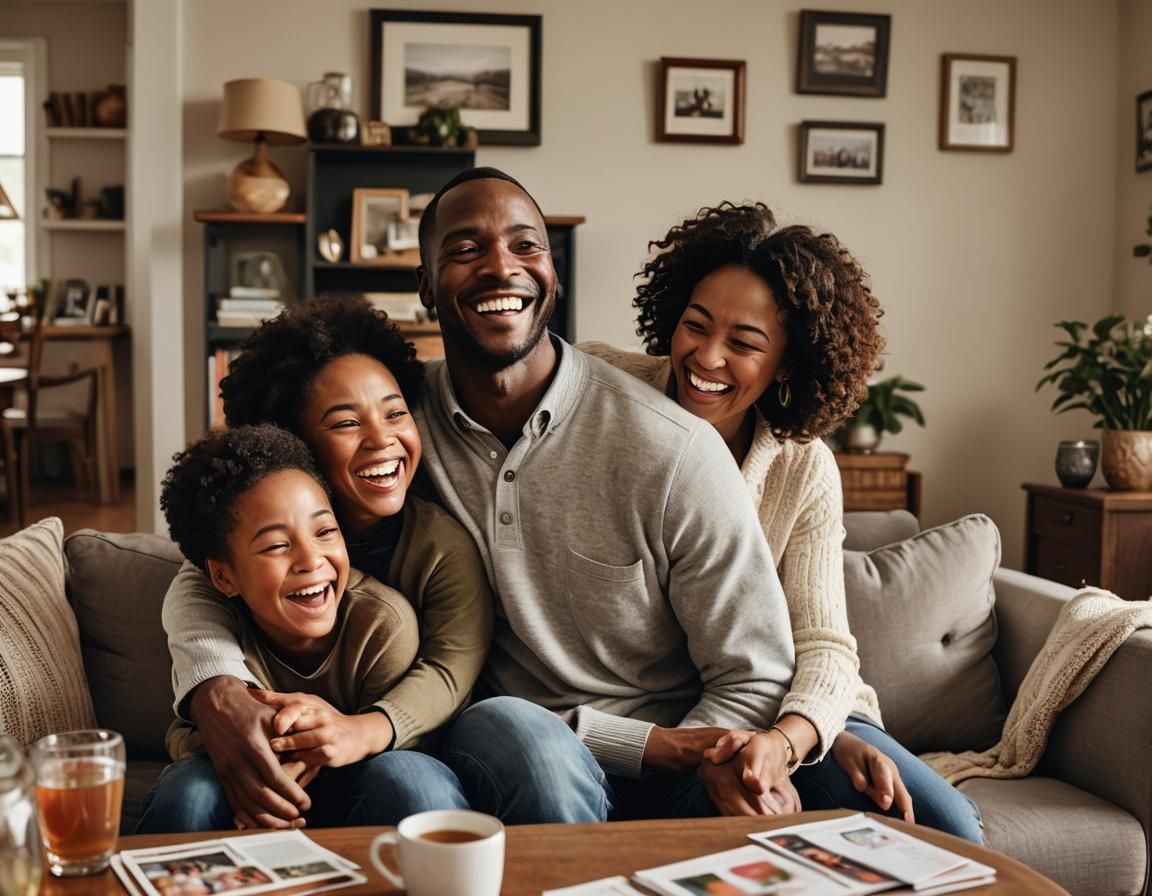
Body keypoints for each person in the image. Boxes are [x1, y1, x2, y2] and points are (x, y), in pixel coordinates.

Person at [580, 202, 982, 842]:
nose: (707, 358)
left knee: (942, 825)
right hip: (676, 723)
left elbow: (823, 645)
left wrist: (801, 740)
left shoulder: (804, 469)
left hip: (796, 716)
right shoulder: (601, 389)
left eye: (743, 344)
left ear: (786, 364)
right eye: (695, 326)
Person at [410, 166, 797, 819]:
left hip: (677, 758)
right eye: (466, 249)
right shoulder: (389, 431)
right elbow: (232, 536)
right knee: (518, 729)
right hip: (505, 745)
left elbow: (753, 671)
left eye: (526, 245)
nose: (501, 266)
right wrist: (214, 681)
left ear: (553, 275)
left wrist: (699, 765)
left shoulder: (673, 448)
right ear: (424, 285)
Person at [154, 302, 494, 830]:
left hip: (382, 755)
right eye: (346, 423)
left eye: (395, 412)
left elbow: (451, 668)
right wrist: (216, 691)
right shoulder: (244, 541)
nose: (381, 439)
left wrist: (360, 731)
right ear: (296, 442)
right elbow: (197, 582)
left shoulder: (437, 552)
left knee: (412, 784)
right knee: (191, 794)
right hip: (268, 758)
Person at [138, 424, 431, 831]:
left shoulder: (382, 626)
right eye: (277, 545)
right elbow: (183, 735)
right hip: (244, 799)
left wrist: (303, 746)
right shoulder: (218, 633)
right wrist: (254, 762)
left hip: (361, 789)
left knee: (410, 777)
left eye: (325, 531)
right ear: (224, 578)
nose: (311, 560)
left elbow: (414, 744)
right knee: (189, 790)